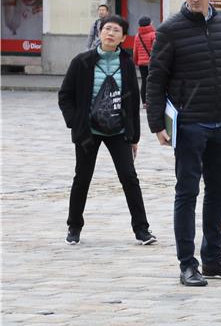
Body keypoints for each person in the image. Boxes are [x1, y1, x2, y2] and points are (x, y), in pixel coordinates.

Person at [146, 0, 221, 287]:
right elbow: (156, 79)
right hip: (189, 123)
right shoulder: (170, 29)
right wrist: (156, 124)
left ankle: (213, 258)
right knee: (187, 192)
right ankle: (187, 263)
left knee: (218, 190)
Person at [58, 14, 156, 246]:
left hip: (118, 130)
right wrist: (76, 121)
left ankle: (142, 230)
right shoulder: (81, 62)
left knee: (129, 178)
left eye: (116, 30)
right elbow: (65, 96)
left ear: (123, 38)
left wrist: (134, 137)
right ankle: (74, 226)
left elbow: (131, 102)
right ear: (100, 32)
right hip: (88, 131)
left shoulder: (126, 64)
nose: (110, 33)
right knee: (82, 178)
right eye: (106, 29)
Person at [132, 16, 155, 105]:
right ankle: (151, 100)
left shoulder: (138, 36)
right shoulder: (153, 34)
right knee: (153, 81)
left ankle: (144, 102)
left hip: (141, 63)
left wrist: (135, 61)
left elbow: (135, 50)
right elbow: (155, 49)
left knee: (144, 81)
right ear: (149, 23)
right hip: (151, 62)